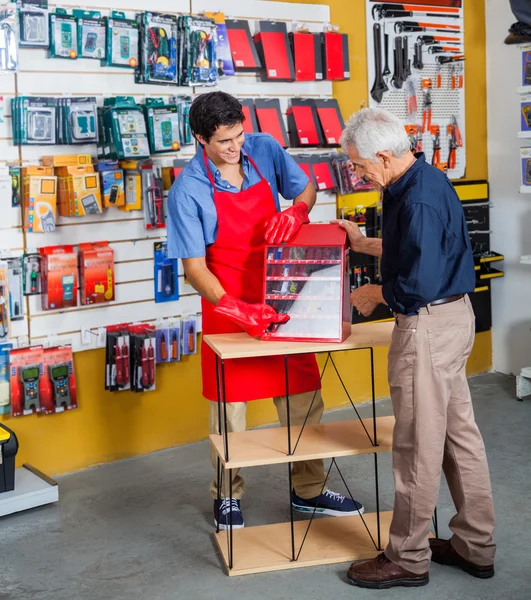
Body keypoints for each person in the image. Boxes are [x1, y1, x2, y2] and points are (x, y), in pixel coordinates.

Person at [166, 91, 363, 530]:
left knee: (304, 396)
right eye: (223, 142)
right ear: (200, 138)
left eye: (238, 135)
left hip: (281, 292)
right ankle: (227, 496)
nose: (236, 147)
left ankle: (309, 491)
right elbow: (195, 269)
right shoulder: (187, 191)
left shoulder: (264, 148)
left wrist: (296, 213)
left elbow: (306, 188)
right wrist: (239, 310)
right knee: (229, 410)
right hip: (228, 304)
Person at [336, 108, 496, 590]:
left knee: (416, 445)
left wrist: (376, 294)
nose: (357, 174)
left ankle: (406, 557)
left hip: (427, 329)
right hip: (452, 321)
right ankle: (474, 544)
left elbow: (417, 282)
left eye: (360, 166)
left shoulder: (418, 199)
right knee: (456, 437)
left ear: (384, 155)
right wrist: (364, 244)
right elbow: (421, 251)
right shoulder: (417, 181)